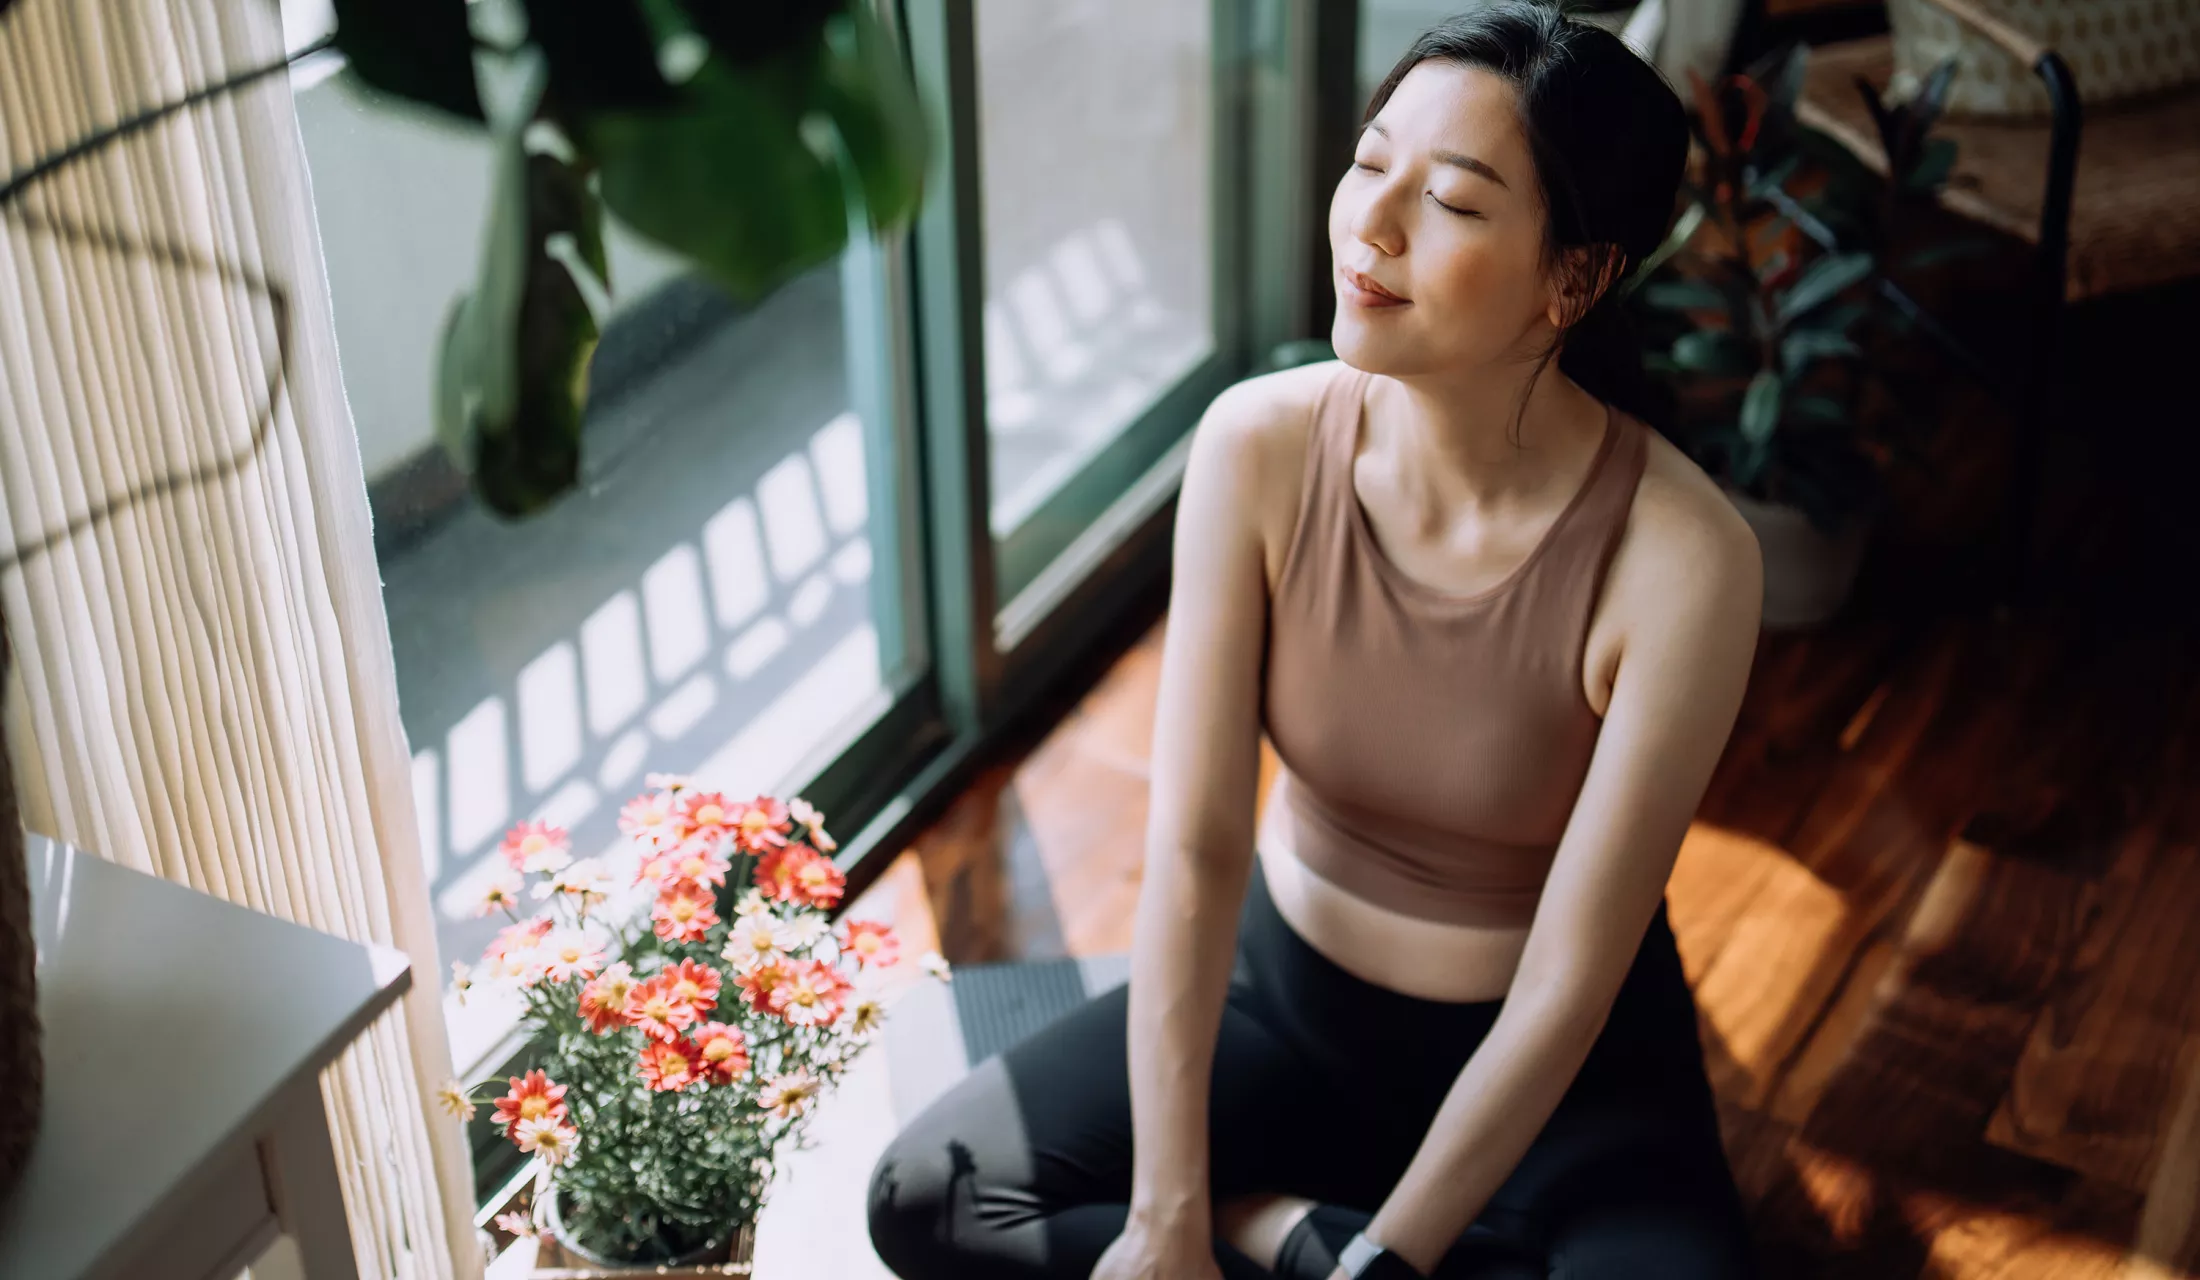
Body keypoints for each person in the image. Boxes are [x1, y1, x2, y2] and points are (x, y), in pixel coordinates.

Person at [867, 4, 1763, 1277]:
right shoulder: (1259, 443)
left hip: (1562, 1081)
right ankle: (1275, 1227)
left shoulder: (1686, 558)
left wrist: (1390, 1260)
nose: (1372, 227)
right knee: (931, 1191)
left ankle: (1347, 1234)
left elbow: (1569, 979)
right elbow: (1194, 842)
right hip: (1284, 1009)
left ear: (1574, 277)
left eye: (1452, 201)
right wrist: (1171, 1211)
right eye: (1367, 161)